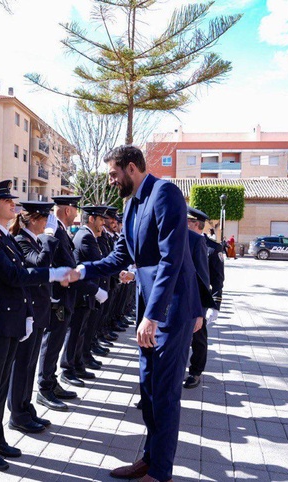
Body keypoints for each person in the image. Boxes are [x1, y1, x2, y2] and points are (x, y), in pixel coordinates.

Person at [76, 145, 203, 482]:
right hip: (149, 310)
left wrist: (153, 315)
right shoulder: (131, 204)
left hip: (171, 311)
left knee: (163, 392)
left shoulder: (166, 194)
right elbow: (119, 257)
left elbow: (170, 259)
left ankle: (160, 472)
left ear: (131, 168)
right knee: (147, 389)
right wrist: (79, 270)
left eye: (114, 174)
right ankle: (149, 459)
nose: (111, 181)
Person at [0, 180, 77, 471]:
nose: (12, 204)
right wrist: (52, 273)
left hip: (13, 320)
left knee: (1, 383)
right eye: (6, 201)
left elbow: (23, 273)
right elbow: (13, 276)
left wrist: (30, 311)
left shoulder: (4, 237)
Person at [7, 201, 58, 434]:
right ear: (34, 220)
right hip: (29, 313)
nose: (48, 222)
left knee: (30, 364)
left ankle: (26, 407)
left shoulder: (33, 240)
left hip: (39, 311)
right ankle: (17, 413)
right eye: (45, 218)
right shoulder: (21, 241)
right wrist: (48, 238)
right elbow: (41, 264)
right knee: (22, 366)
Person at [35, 195, 82, 412]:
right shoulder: (56, 232)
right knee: (52, 341)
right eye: (75, 209)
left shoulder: (61, 231)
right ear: (66, 210)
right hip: (58, 298)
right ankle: (44, 388)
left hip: (65, 296)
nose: (76, 213)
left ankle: (51, 382)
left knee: (57, 340)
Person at [61, 206, 110, 386]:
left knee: (81, 332)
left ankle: (78, 363)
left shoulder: (91, 236)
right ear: (91, 219)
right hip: (82, 293)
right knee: (75, 333)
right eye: (100, 219)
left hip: (88, 292)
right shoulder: (86, 237)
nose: (103, 222)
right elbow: (96, 264)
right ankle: (68, 368)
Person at [184, 207, 224, 390]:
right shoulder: (181, 241)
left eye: (188, 221)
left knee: (198, 338)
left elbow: (217, 279)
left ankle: (195, 372)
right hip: (182, 297)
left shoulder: (213, 248)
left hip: (200, 299)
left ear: (195, 224)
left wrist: (215, 305)